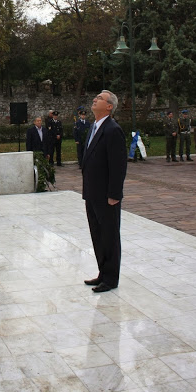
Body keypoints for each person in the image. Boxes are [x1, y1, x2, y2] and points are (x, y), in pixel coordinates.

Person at [81, 90, 127, 293]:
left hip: (107, 196)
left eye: (100, 98)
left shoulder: (112, 129)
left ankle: (110, 279)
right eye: (96, 96)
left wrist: (114, 195)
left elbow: (118, 166)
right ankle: (102, 272)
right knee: (98, 235)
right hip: (92, 193)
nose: (95, 99)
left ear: (109, 106)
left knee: (109, 236)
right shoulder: (94, 127)